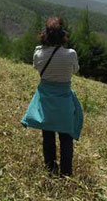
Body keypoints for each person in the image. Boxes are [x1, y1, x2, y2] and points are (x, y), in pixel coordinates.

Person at [21, 17, 83, 176]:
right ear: (63, 35)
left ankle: (50, 168)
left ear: (44, 35)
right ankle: (66, 173)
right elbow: (75, 70)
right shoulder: (70, 54)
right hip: (64, 100)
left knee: (47, 135)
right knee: (66, 138)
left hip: (45, 99)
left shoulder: (38, 53)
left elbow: (36, 67)